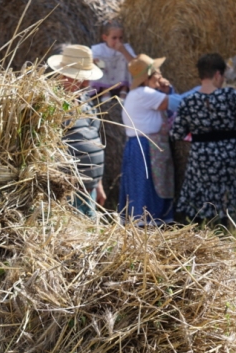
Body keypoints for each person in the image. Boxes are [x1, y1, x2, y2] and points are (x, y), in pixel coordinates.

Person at [171, 53, 236, 225]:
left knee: (199, 191)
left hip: (200, 155)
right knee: (227, 192)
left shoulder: (188, 102)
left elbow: (176, 133)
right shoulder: (229, 95)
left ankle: (201, 226)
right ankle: (227, 224)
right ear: (217, 75)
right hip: (227, 154)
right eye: (222, 77)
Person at [48, 44, 107, 217]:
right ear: (62, 75)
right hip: (67, 191)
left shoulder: (86, 102)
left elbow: (94, 140)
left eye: (86, 78)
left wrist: (98, 184)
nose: (85, 83)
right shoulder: (51, 105)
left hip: (90, 188)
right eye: (79, 77)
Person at [120, 54, 173, 225]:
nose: (160, 77)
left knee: (139, 188)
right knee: (147, 190)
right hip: (146, 147)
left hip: (138, 146)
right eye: (157, 73)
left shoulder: (138, 93)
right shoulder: (145, 93)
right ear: (147, 77)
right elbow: (175, 103)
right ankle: (147, 227)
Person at [91, 20, 135, 97]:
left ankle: (123, 90)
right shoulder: (98, 49)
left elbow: (135, 63)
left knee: (124, 58)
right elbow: (90, 61)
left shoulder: (126, 48)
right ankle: (105, 91)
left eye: (120, 38)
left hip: (120, 77)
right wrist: (95, 61)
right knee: (100, 61)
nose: (118, 41)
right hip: (106, 75)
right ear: (105, 37)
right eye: (114, 38)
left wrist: (124, 51)